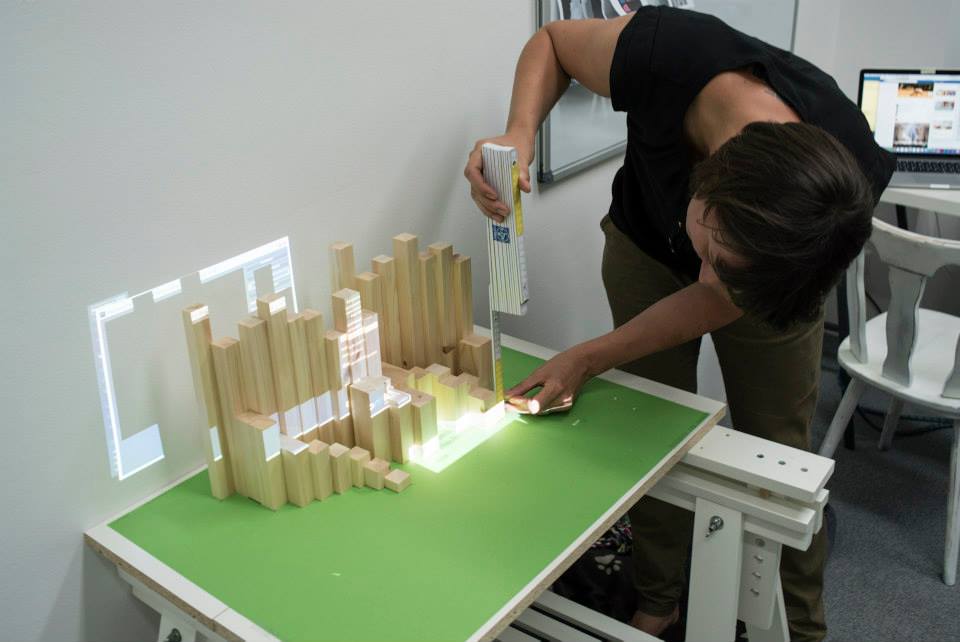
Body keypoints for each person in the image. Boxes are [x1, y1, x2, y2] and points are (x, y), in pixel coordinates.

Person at [463, 7, 894, 642]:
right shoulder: (664, 52)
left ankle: (801, 627)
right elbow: (553, 42)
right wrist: (520, 132)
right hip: (645, 241)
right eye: (713, 255)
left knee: (780, 459)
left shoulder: (844, 179)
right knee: (650, 423)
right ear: (710, 176)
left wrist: (590, 355)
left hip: (773, 277)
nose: (707, 276)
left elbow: (718, 296)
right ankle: (657, 599)